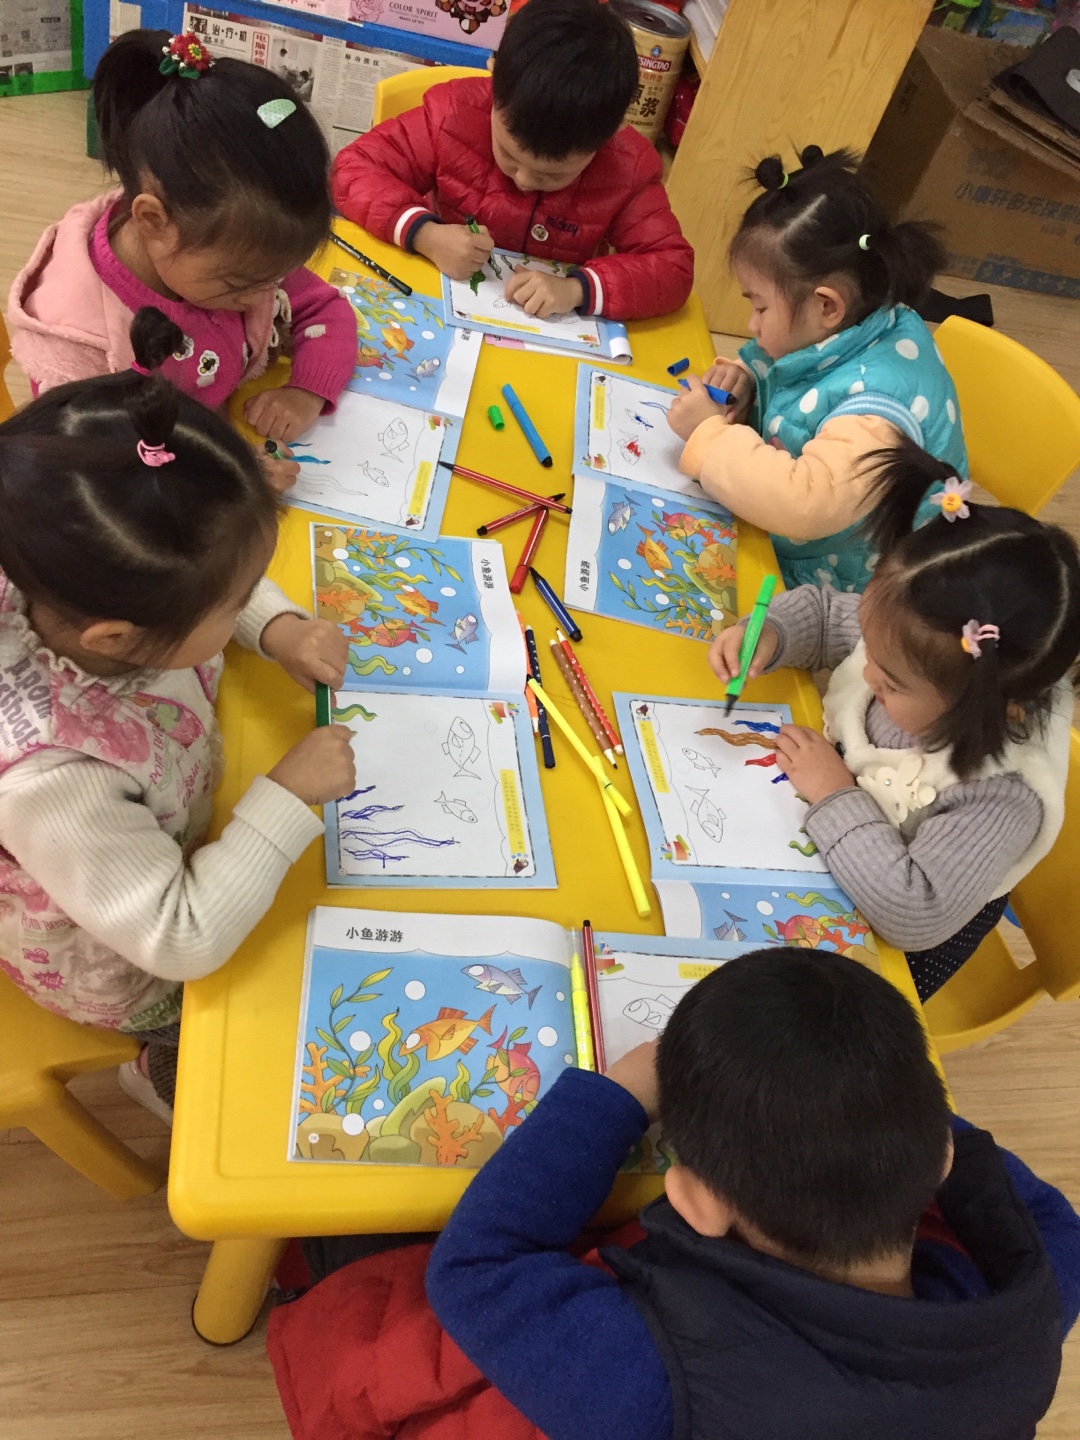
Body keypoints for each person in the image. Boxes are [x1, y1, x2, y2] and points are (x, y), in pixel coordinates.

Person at [266, 949, 1080, 1440]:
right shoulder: (1036, 1305)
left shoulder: (653, 1387)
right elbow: (1051, 1220)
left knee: (352, 1228)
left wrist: (615, 1098)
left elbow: (476, 1269)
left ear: (694, 1201)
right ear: (937, 1155)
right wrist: (857, 1105)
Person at [0, 307, 356, 1121]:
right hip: (124, 949)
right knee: (234, 1047)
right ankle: (156, 1070)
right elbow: (180, 938)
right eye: (234, 604)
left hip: (166, 818)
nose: (241, 605)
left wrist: (275, 626)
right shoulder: (57, 783)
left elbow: (198, 572)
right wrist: (286, 798)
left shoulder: (79, 568)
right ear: (119, 638)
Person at [711, 441, 1080, 1001]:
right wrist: (772, 633)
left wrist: (834, 792)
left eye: (889, 682)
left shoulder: (1000, 797)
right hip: (839, 839)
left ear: (987, 706)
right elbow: (828, 617)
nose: (867, 671)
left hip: (900, 941)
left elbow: (914, 911)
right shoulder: (918, 636)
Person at [7, 28, 356, 460]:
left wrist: (306, 391)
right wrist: (232, 474)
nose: (261, 296)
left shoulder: (236, 248)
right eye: (238, 285)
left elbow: (324, 309)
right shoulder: (82, 339)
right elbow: (98, 471)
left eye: (273, 278)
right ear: (153, 221)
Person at [668, 146, 965, 593]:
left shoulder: (875, 412)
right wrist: (749, 377)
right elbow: (797, 369)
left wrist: (708, 435)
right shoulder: (858, 318)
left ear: (827, 306)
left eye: (760, 307)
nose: (752, 326)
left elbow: (803, 503)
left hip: (855, 587)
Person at [331, 0, 694, 322]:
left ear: (612, 132)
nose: (523, 179)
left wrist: (576, 289)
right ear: (493, 77)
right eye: (508, 154)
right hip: (437, 293)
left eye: (552, 175)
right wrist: (425, 234)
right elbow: (351, 169)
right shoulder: (452, 115)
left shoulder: (628, 165)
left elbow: (673, 269)